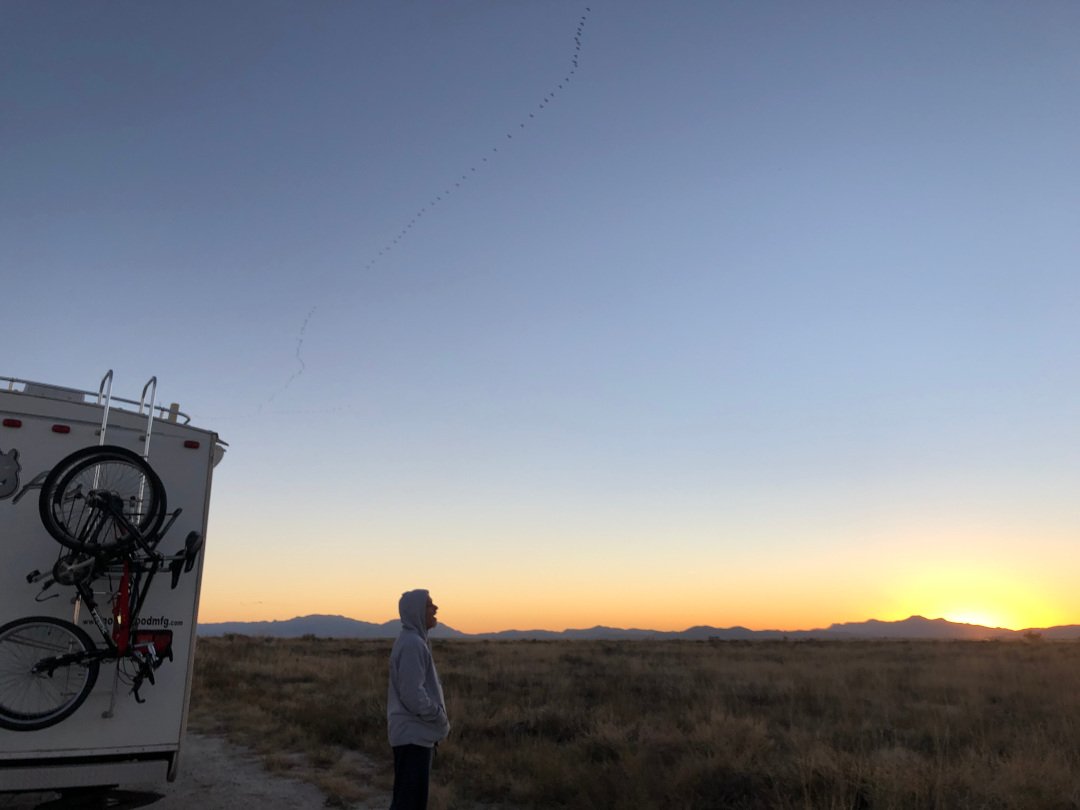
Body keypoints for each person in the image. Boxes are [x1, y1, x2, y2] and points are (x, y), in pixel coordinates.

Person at [387, 589, 450, 810]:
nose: (435, 608)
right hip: (413, 735)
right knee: (409, 803)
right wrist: (437, 716)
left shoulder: (415, 641)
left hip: (414, 734)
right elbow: (412, 695)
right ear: (415, 611)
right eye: (429, 605)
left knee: (408, 800)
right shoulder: (413, 643)